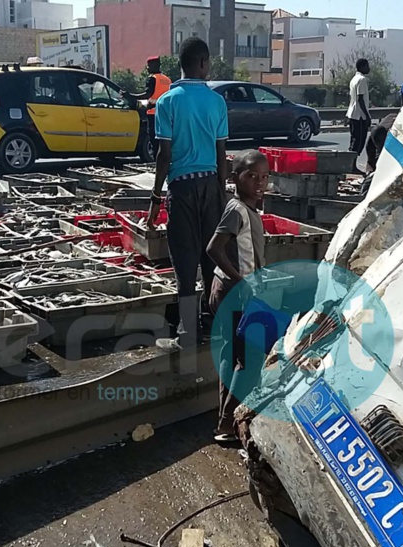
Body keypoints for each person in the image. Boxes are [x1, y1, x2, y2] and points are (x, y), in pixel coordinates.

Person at [149, 37, 229, 351]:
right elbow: (222, 154)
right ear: (203, 63)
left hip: (181, 189)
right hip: (211, 185)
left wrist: (155, 197)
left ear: (181, 65)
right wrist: (221, 196)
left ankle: (188, 335)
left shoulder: (168, 101)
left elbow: (163, 156)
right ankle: (215, 327)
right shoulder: (217, 102)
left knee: (184, 264)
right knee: (213, 259)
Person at [206, 150, 269, 442]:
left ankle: (225, 421)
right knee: (248, 358)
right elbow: (213, 248)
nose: (259, 182)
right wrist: (240, 278)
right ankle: (229, 423)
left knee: (233, 356)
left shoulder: (249, 208)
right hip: (234, 292)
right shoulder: (237, 210)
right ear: (235, 179)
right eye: (251, 176)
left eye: (264, 177)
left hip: (234, 289)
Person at [130, 56, 173, 141]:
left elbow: (147, 94)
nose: (147, 68)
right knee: (166, 139)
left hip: (153, 114)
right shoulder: (167, 80)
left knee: (154, 140)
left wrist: (132, 96)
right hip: (167, 114)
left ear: (155, 66)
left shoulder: (152, 79)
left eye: (149, 66)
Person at [346, 58, 372, 174]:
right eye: (367, 66)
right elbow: (360, 99)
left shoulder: (353, 79)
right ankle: (352, 166)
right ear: (362, 67)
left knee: (354, 140)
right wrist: (367, 116)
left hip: (352, 114)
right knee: (359, 141)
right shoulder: (362, 79)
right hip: (359, 115)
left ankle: (350, 165)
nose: (368, 68)